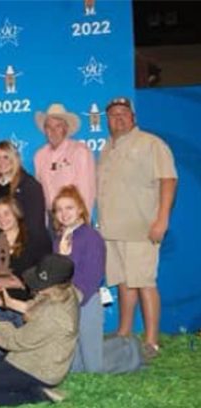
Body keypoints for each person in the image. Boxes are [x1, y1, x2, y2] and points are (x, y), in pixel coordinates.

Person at [97, 97, 178, 359]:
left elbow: (168, 180)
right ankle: (124, 332)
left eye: (123, 113)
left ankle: (152, 341)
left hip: (141, 228)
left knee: (144, 283)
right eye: (112, 115)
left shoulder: (151, 144)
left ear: (133, 117)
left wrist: (162, 219)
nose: (118, 118)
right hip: (113, 230)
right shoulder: (107, 147)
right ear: (106, 121)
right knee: (123, 282)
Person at [0, 254, 81, 406]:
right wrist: (9, 302)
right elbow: (37, 309)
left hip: (39, 369)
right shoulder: (66, 292)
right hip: (32, 356)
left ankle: (38, 395)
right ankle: (31, 388)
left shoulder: (55, 315)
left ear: (53, 286)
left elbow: (15, 341)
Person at [0, 196, 50, 360]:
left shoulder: (35, 241)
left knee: (27, 360)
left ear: (17, 214)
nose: (2, 219)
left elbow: (44, 277)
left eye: (7, 213)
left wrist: (21, 284)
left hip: (26, 309)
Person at [52, 185, 105, 372]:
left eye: (69, 208)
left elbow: (93, 275)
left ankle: (129, 354)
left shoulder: (91, 237)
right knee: (72, 363)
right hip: (65, 303)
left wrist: (74, 298)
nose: (64, 213)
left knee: (93, 364)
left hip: (87, 301)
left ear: (80, 209)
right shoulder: (58, 240)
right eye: (59, 210)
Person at [0, 140, 51, 254]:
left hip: (28, 250)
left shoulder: (30, 185)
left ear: (15, 158)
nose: (1, 162)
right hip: (3, 248)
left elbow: (35, 225)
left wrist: (20, 250)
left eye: (6, 157)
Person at [33, 103, 96, 215]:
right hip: (51, 218)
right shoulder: (39, 156)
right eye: (49, 126)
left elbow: (87, 192)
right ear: (44, 130)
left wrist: (82, 223)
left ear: (66, 128)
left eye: (58, 126)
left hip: (74, 216)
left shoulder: (79, 151)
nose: (53, 131)